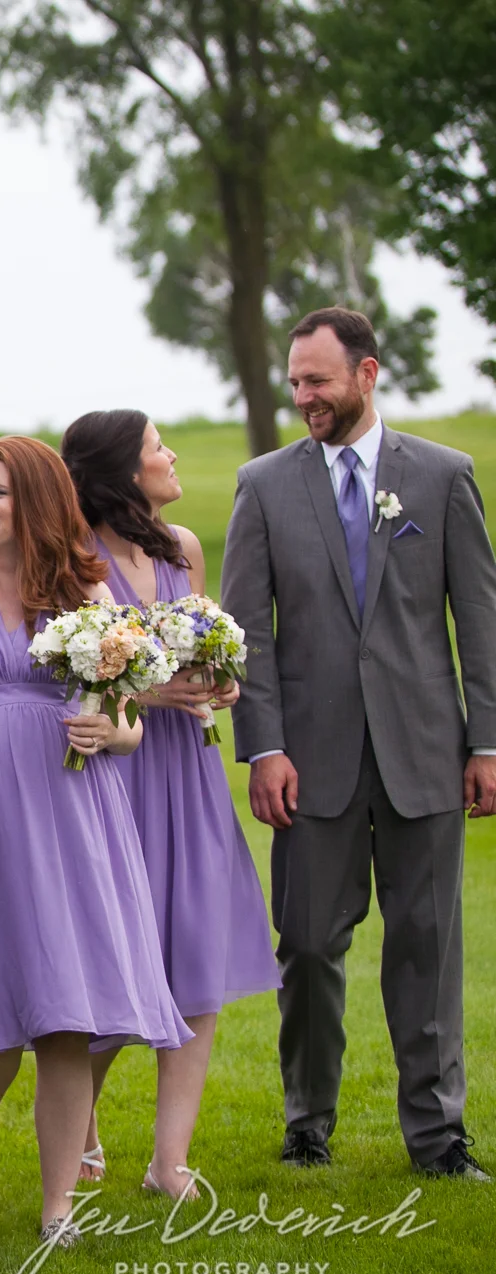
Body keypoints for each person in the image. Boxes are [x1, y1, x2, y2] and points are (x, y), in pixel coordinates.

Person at [0, 435, 188, 1246]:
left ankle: (58, 1204)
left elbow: (128, 723)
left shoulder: (87, 597)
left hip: (71, 818)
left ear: (39, 503)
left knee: (66, 1012)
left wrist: (110, 730)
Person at [223, 307, 496, 1178]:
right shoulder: (262, 486)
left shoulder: (445, 477)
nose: (304, 395)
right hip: (310, 760)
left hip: (424, 753)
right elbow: (246, 633)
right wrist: (263, 745)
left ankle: (438, 1136)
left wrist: (486, 742)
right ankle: (309, 1121)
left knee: (427, 944)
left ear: (367, 375)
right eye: (296, 382)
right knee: (305, 942)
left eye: (319, 381)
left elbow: (479, 625)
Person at [61, 410, 279, 1197]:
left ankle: (169, 1162)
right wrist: (155, 692)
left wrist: (221, 680)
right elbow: (65, 677)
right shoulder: (77, 563)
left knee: (197, 963)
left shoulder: (182, 548)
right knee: (122, 968)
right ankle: (74, 1121)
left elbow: (212, 650)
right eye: (159, 448)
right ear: (124, 472)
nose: (173, 455)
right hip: (117, 781)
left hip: (189, 773)